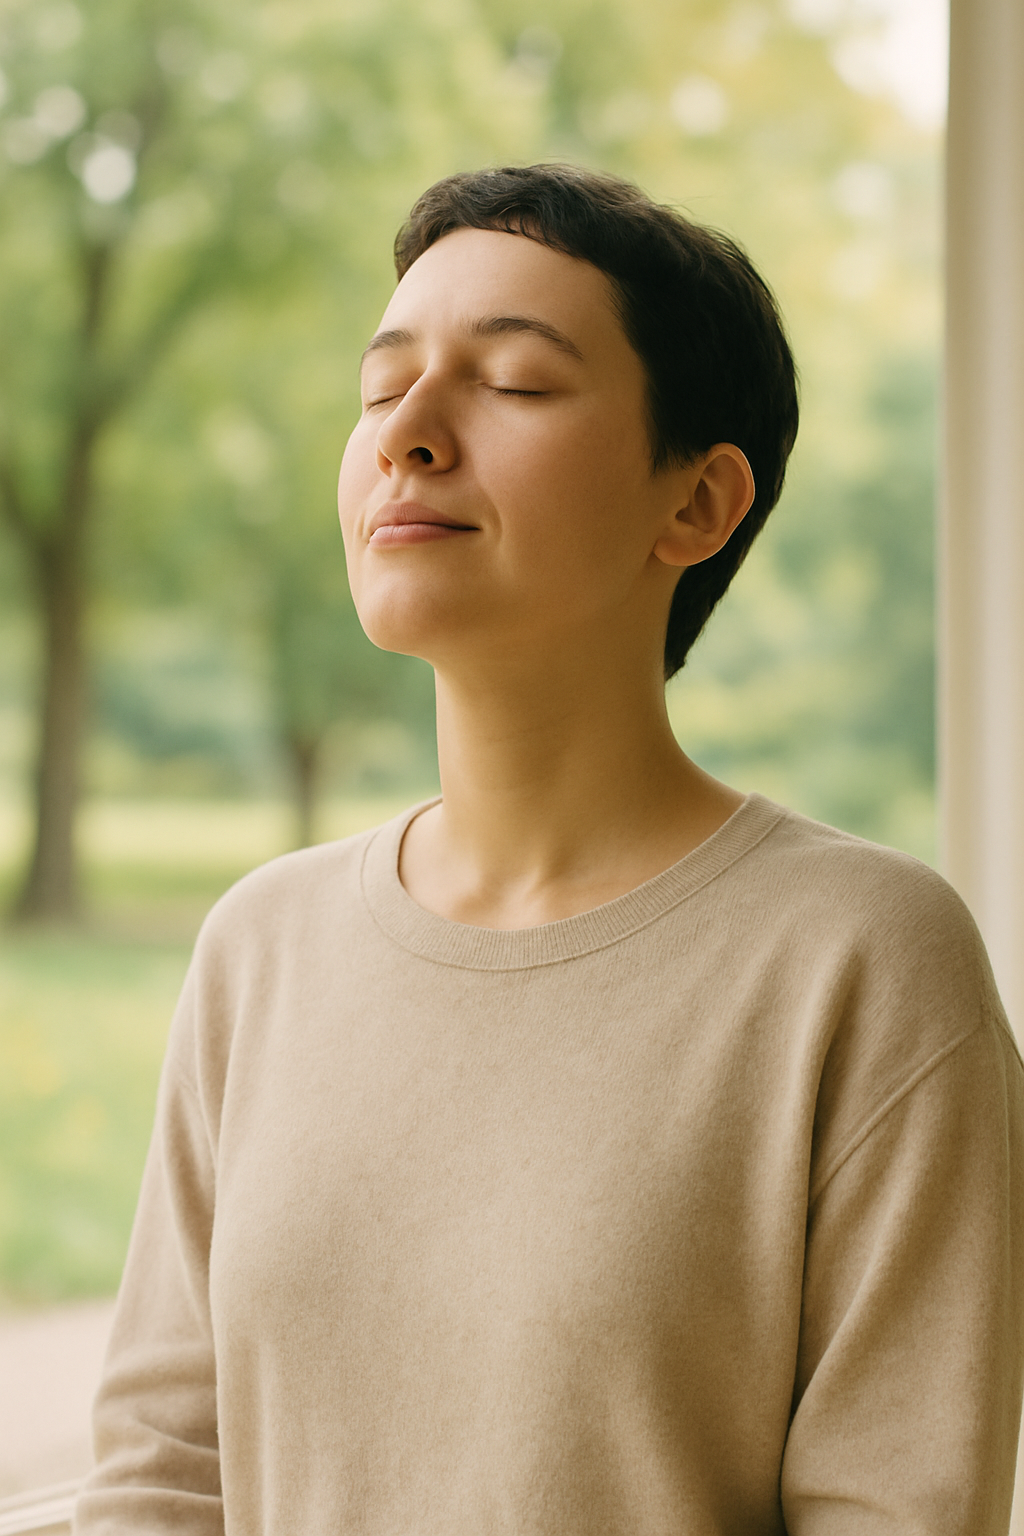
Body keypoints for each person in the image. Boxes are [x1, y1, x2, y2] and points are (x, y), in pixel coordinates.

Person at [75, 164, 1024, 1536]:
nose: (406, 432)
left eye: (512, 382)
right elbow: (160, 1478)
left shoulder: (865, 961)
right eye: (379, 386)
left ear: (696, 506)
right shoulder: (259, 945)